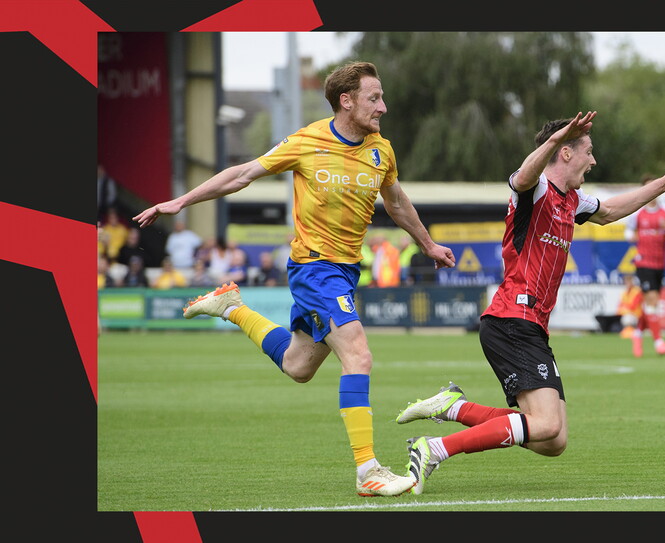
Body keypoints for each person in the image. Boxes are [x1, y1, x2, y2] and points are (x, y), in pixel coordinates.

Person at [133, 61, 456, 497]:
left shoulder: (382, 150)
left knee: (298, 366)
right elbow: (243, 174)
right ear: (347, 101)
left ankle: (232, 307)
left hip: (344, 272)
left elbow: (396, 202)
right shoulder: (307, 141)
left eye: (381, 97)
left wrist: (429, 244)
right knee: (358, 356)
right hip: (314, 268)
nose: (383, 106)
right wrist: (182, 201)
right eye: (374, 97)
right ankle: (368, 471)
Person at [395, 111, 665, 495]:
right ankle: (434, 450)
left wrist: (662, 185)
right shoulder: (536, 188)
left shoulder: (572, 200)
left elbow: (610, 211)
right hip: (512, 318)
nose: (593, 160)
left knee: (553, 441)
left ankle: (454, 407)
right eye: (587, 151)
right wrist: (556, 137)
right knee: (543, 425)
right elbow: (523, 175)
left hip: (530, 325)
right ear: (564, 153)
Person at [622, 176, 665, 357]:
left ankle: (638, 333)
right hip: (644, 262)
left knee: (650, 304)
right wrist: (631, 236)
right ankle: (659, 341)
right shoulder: (638, 213)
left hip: (659, 263)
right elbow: (628, 231)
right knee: (653, 300)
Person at [616, 273, 644, 345]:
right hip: (626, 313)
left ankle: (632, 332)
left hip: (636, 315)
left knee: (627, 319)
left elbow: (633, 306)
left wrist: (624, 308)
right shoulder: (624, 292)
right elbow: (620, 305)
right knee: (623, 317)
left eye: (629, 281)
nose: (627, 283)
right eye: (626, 281)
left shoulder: (637, 291)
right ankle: (628, 331)